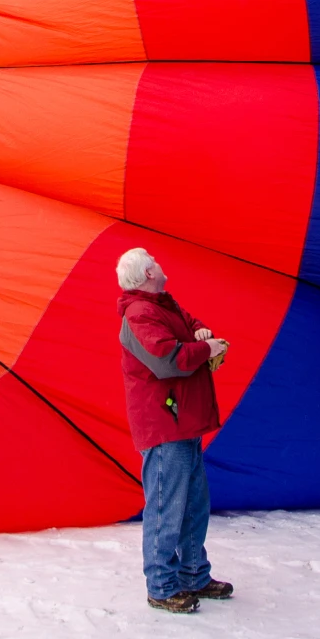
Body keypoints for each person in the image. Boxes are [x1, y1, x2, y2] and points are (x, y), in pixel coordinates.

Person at [115, 247, 234, 614]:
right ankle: (162, 585)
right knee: (167, 507)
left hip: (182, 421)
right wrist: (207, 347)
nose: (161, 263)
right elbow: (169, 360)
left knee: (194, 505)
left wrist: (200, 332)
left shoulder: (162, 306)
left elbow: (189, 324)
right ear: (149, 271)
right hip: (166, 425)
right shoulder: (139, 314)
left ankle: (194, 574)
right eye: (156, 260)